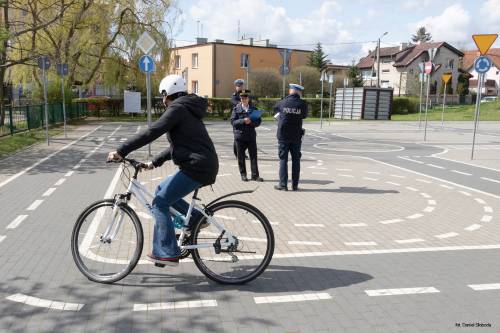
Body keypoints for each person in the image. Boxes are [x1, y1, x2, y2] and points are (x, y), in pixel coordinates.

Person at [107, 74, 219, 266]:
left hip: (198, 166)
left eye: (163, 96)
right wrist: (154, 162)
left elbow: (152, 131)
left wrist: (121, 150)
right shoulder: (186, 108)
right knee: (161, 191)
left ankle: (167, 252)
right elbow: (179, 145)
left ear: (168, 94)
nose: (163, 101)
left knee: (160, 203)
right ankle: (197, 219)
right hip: (201, 164)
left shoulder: (178, 109)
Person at [273, 83, 308, 191]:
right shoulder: (302, 104)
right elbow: (304, 116)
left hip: (283, 135)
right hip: (296, 136)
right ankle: (295, 185)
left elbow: (275, 110)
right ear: (298, 92)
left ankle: (283, 185)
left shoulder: (282, 102)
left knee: (283, 160)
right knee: (296, 160)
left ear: (290, 91)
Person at [230, 90, 263, 182]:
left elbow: (258, 122)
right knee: (241, 157)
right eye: (242, 98)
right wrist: (243, 120)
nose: (243, 100)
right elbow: (233, 122)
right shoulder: (236, 109)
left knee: (253, 156)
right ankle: (243, 175)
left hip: (251, 136)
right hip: (240, 136)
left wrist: (251, 122)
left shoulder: (254, 109)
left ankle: (255, 175)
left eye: (245, 98)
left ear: (248, 99)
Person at [230, 79, 248, 159]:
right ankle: (238, 154)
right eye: (239, 86)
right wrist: (243, 102)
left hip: (246, 118)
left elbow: (249, 103)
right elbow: (236, 103)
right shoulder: (234, 95)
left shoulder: (246, 94)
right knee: (237, 137)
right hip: (237, 119)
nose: (240, 87)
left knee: (246, 137)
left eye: (241, 85)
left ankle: (242, 153)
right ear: (236, 87)